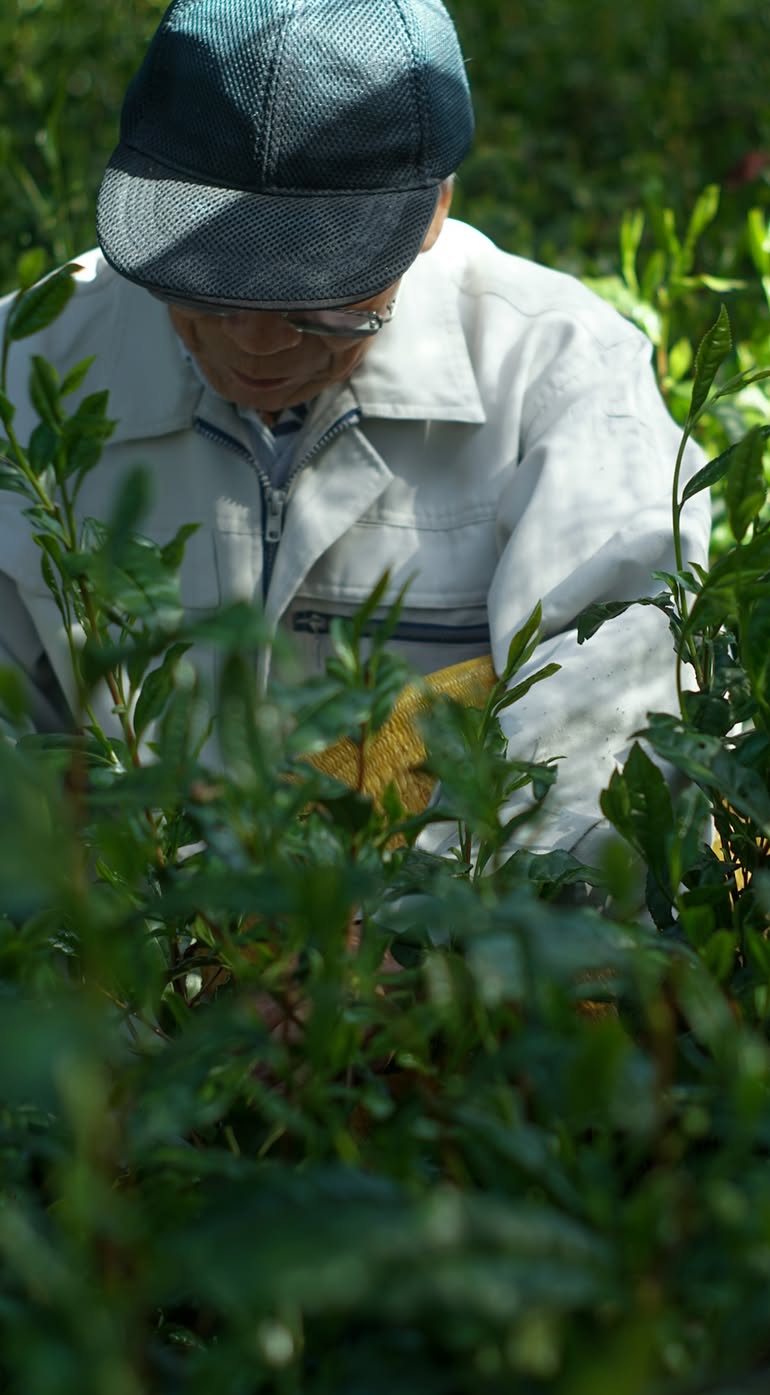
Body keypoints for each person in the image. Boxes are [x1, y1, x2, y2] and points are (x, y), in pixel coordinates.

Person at [0, 0, 710, 864]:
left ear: (436, 211)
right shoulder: (28, 367)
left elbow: (616, 718)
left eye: (318, 298)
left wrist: (402, 937)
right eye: (210, 287)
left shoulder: (558, 375)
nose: (257, 342)